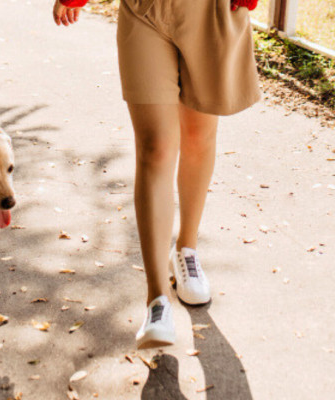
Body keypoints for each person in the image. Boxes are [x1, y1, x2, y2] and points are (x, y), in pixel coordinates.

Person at [52, 0, 260, 348]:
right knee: (156, 148)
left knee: (198, 137)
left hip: (210, 10)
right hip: (143, 9)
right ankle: (157, 300)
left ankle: (187, 251)